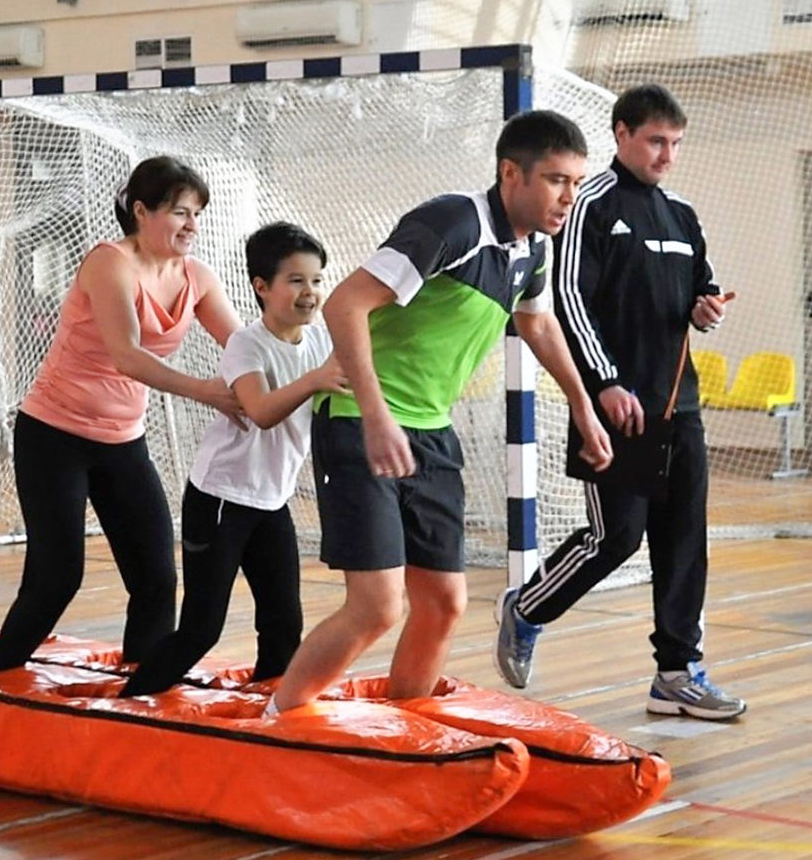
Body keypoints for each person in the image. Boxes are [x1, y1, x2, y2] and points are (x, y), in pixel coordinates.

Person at [267, 110, 614, 717]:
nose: (569, 195)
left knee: (445, 604)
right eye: (558, 179)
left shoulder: (534, 249)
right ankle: (281, 719)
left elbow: (536, 321)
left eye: (577, 182)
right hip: (358, 417)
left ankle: (407, 729)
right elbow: (345, 305)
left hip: (429, 431)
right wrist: (375, 417)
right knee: (378, 607)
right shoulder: (453, 221)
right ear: (512, 173)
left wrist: (583, 406)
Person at [494, 84, 747, 720]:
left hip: (678, 408)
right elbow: (568, 299)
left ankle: (676, 672)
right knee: (616, 539)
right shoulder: (591, 206)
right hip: (617, 406)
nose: (667, 155)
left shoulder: (683, 216)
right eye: (656, 141)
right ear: (622, 134)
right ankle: (526, 609)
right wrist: (604, 381)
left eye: (676, 144)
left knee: (685, 540)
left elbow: (701, 294)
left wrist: (705, 310)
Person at [0, 155, 243, 673]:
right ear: (142, 212)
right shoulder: (109, 263)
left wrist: (299, 371)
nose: (192, 225)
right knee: (57, 576)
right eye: (179, 213)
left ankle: (140, 683)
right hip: (54, 435)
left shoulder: (197, 276)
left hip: (123, 440)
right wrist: (207, 391)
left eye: (197, 214)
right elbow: (127, 354)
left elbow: (242, 346)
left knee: (155, 576)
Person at [120, 222, 347, 697]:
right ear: (262, 288)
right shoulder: (248, 344)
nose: (311, 292)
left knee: (284, 623)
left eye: (317, 280)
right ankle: (133, 703)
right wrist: (313, 381)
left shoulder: (322, 343)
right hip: (221, 500)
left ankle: (268, 713)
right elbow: (261, 411)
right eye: (296, 280)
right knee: (202, 627)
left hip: (272, 501)